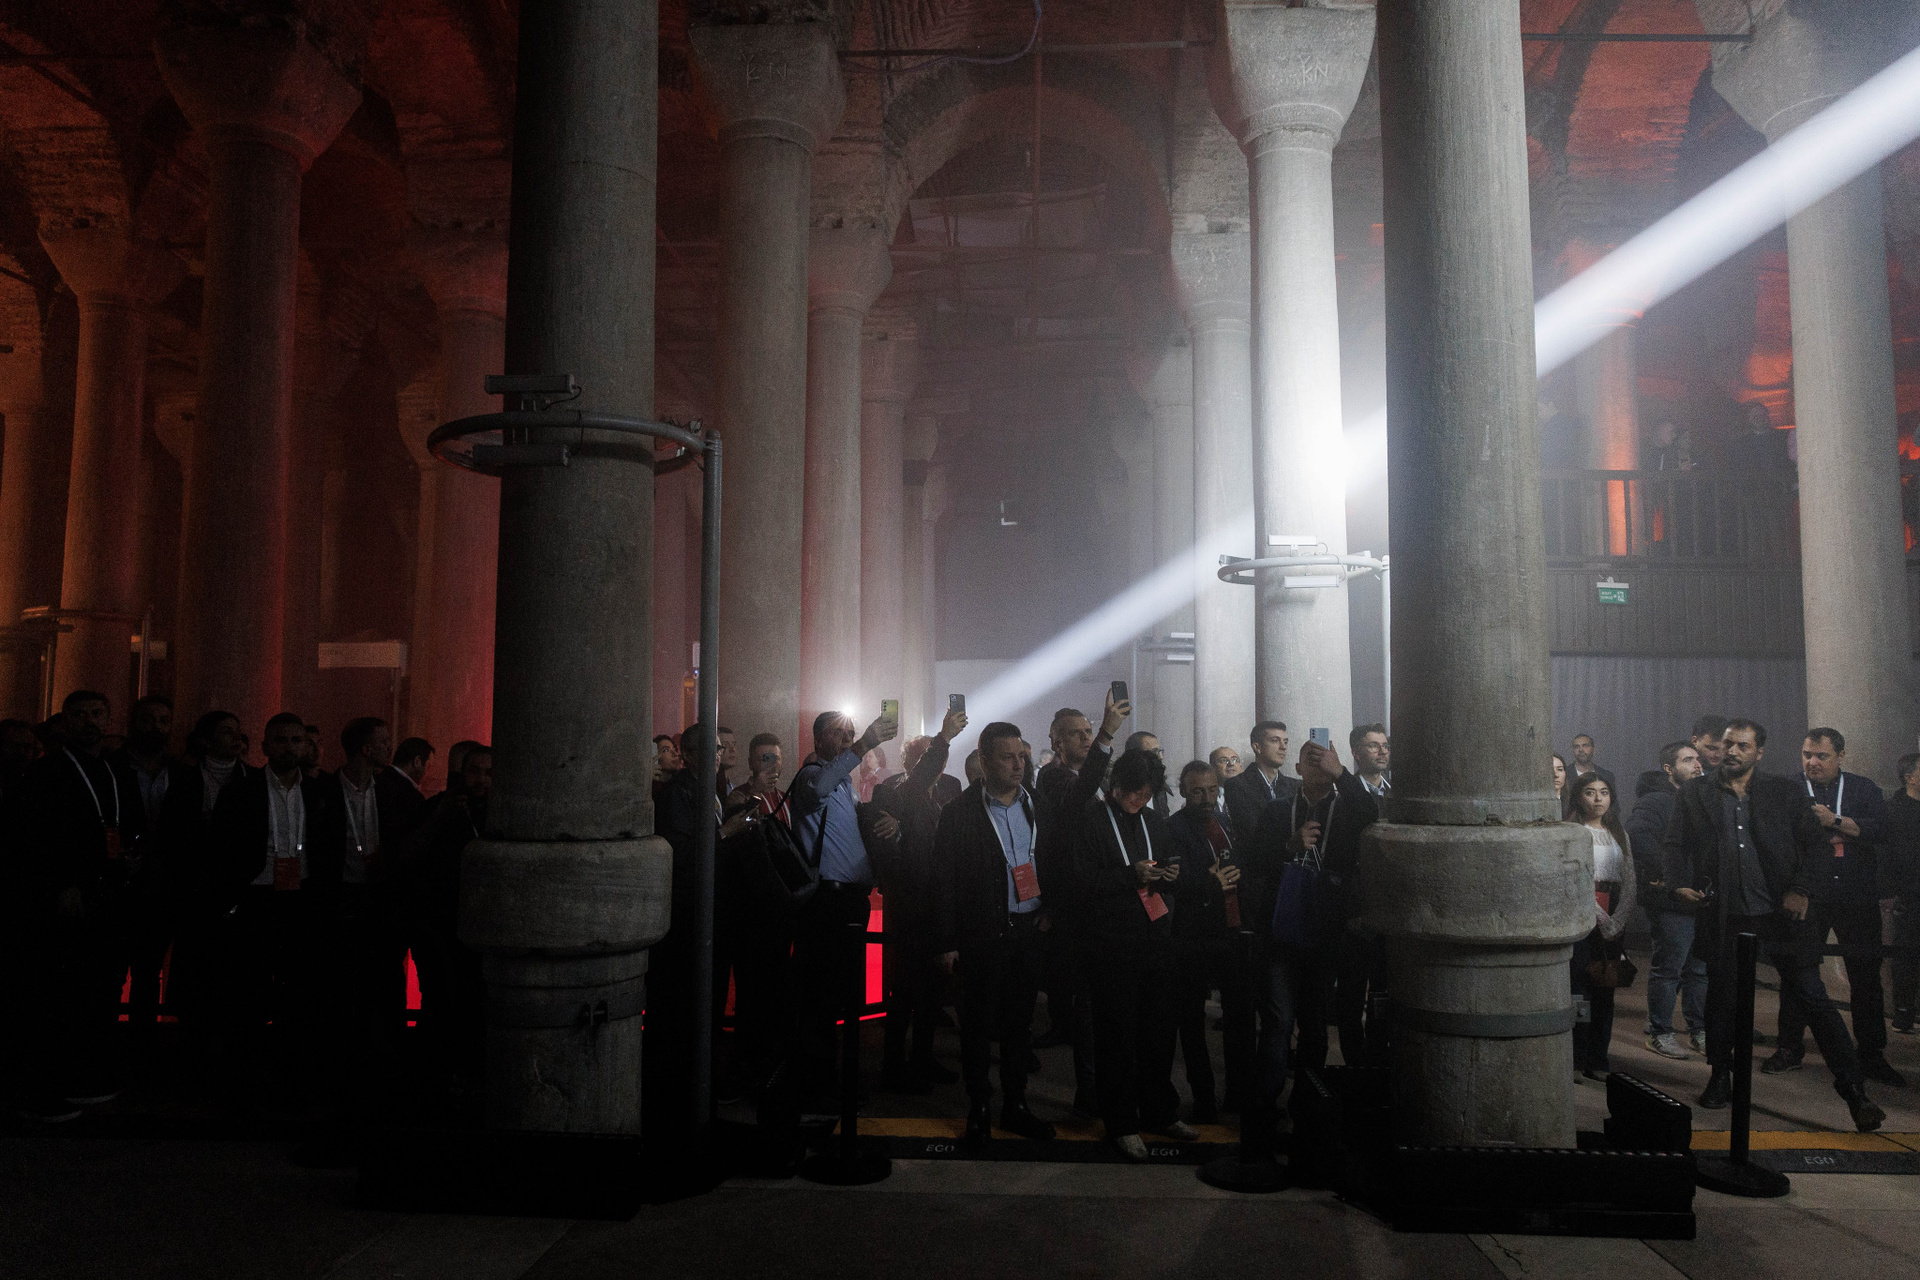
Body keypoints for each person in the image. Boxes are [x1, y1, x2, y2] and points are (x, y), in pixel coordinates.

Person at [1662, 719, 1885, 1131]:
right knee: (1722, 1000)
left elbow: (1816, 846)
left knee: (1812, 997)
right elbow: (1675, 845)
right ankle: (1721, 1076)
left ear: (1759, 753)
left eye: (1742, 746)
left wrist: (1801, 890)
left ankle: (1855, 1093)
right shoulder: (1695, 793)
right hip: (1725, 913)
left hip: (1782, 915)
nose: (1732, 751)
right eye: (1728, 744)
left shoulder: (1784, 792)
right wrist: (1678, 884)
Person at [1243, 738, 1379, 1153]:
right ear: (1298, 768)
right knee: (1278, 1021)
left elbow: (1372, 813)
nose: (1318, 766)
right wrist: (1289, 846)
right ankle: (1262, 1112)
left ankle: (1305, 1107)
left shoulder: (1348, 807)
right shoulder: (1278, 810)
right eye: (1310, 760)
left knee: (1316, 1024)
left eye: (1325, 760)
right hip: (1281, 930)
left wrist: (1342, 773)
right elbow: (1254, 859)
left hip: (1326, 930)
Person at [932, 719, 1063, 1146]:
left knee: (1018, 1025)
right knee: (976, 1025)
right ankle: (979, 1107)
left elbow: (1053, 859)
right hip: (982, 932)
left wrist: (1052, 908)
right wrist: (947, 941)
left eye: (1021, 756)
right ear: (984, 761)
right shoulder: (959, 813)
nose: (1018, 764)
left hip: (1028, 930)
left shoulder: (1037, 804)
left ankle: (1016, 1105)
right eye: (1007, 757)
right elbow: (944, 880)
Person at [209, 712, 346, 1103]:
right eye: (281, 740)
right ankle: (245, 1082)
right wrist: (230, 902)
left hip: (302, 901)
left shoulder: (320, 791)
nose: (289, 747)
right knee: (248, 992)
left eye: (296, 740)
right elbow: (221, 848)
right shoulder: (241, 790)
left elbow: (331, 848)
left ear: (306, 745)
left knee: (299, 993)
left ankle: (292, 1079)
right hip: (256, 899)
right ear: (265, 746)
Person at [15, 690, 134, 1116]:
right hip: (67, 898)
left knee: (98, 988)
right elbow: (35, 836)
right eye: (79, 714)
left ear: (108, 717)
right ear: (66, 720)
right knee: (60, 992)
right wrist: (62, 883)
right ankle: (48, 1084)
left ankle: (86, 1074)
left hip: (107, 894)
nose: (89, 720)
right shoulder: (47, 770)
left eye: (97, 713)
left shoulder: (114, 768)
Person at [1071, 746, 1192, 1159]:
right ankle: (1122, 1122)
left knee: (1159, 1033)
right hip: (1110, 945)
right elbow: (1081, 884)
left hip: (1155, 940)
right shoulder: (1091, 820)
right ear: (1116, 784)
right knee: (1117, 1037)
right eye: (1132, 791)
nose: (1137, 799)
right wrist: (1130, 875)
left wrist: (1170, 876)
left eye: (1146, 794)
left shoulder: (1153, 821)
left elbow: (1168, 876)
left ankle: (1160, 1111)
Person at [1765, 729, 1902, 1086]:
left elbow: (1882, 830)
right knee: (1797, 972)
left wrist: (1835, 822)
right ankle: (1789, 1048)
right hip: (1808, 892)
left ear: (1841, 756)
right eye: (1807, 754)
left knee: (1866, 976)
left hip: (1856, 894)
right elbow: (1777, 835)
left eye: (1821, 756)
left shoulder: (1862, 789)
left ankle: (1871, 1054)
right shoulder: (1788, 789)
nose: (1812, 762)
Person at [779, 709, 899, 1113]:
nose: (848, 738)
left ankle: (833, 1081)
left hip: (848, 901)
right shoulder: (812, 776)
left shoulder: (844, 782)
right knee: (821, 998)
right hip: (826, 903)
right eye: (839, 732)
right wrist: (864, 745)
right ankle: (816, 1087)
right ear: (817, 740)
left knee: (839, 996)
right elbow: (815, 793)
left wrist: (890, 825)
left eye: (852, 732)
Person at [873, 710, 967, 1094]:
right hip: (909, 901)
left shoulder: (947, 791)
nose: (936, 765)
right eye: (926, 757)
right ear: (912, 762)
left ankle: (923, 1059)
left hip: (938, 901)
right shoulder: (895, 791)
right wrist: (943, 737)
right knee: (904, 989)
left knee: (931, 990)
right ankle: (894, 1066)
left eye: (938, 757)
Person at [392, 744, 492, 1092]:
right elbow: (408, 854)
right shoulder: (439, 807)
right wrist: (441, 815)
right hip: (441, 923)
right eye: (474, 771)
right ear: (461, 773)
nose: (480, 780)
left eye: (489, 773)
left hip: (484, 924)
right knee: (440, 1002)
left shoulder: (502, 812)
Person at [1165, 761, 1253, 1123]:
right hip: (1193, 936)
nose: (1207, 797)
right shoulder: (1172, 828)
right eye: (1198, 791)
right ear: (1184, 792)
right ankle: (1203, 1099)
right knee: (1191, 1022)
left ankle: (1238, 1095)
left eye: (1212, 790)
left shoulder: (1225, 822)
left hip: (1231, 932)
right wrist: (1207, 883)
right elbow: (1172, 882)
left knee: (1240, 1019)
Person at [1629, 741, 1707, 1059]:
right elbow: (1637, 836)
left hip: (1700, 897)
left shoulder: (1701, 798)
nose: (1697, 764)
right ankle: (1659, 1033)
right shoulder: (1656, 800)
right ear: (1669, 769)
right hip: (1671, 901)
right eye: (1688, 760)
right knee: (1669, 969)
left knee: (1698, 970)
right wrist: (1671, 878)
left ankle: (1699, 1031)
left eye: (1698, 759)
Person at [1566, 772, 1636, 1080]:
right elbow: (1575, 877)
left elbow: (1630, 878)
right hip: (1583, 913)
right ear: (1578, 796)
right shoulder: (1572, 831)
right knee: (1580, 988)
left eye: (1604, 792)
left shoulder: (1618, 832)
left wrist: (1619, 918)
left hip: (1614, 912)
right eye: (1590, 792)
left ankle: (1598, 1058)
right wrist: (1600, 917)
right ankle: (1577, 1057)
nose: (1598, 799)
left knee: (1606, 987)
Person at [1884, 752, 1920, 1036]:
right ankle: (1904, 1012)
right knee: (1906, 955)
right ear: (1910, 777)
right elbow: (1887, 854)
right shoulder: (1893, 810)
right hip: (1909, 893)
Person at [1225, 722, 1296, 849]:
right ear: (1257, 747)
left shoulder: (1295, 786)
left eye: (1285, 742)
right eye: (1275, 741)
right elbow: (1252, 832)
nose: (1283, 747)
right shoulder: (1237, 785)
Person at [1349, 723, 1390, 799]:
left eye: (1385, 746)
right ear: (1356, 753)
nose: (1383, 752)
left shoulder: (1397, 790)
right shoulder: (1348, 794)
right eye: (1373, 746)